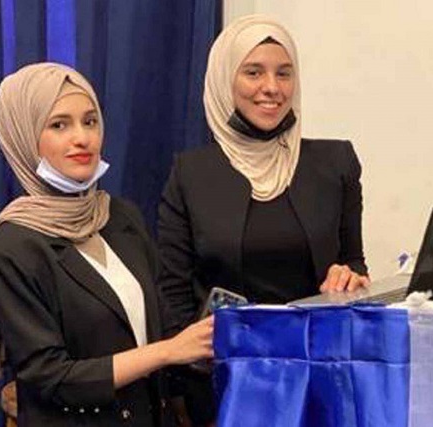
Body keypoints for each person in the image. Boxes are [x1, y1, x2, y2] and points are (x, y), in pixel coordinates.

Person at [0, 62, 213, 427]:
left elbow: (160, 327)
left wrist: (208, 344)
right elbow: (52, 378)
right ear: (23, 137)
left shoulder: (120, 216)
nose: (82, 138)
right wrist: (167, 352)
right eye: (59, 125)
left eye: (90, 121)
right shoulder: (8, 247)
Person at [156, 15, 370, 424]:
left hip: (319, 375)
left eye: (284, 73)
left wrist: (350, 279)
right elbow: (173, 294)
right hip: (226, 384)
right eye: (253, 72)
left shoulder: (335, 163)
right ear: (225, 80)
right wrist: (189, 386)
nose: (272, 87)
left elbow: (354, 262)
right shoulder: (191, 174)